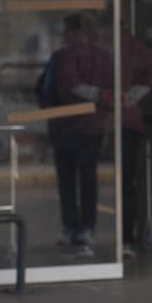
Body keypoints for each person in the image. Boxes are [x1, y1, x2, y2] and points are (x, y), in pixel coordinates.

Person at [51, 13, 114, 252]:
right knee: (74, 179)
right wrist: (100, 97)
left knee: (81, 179)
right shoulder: (68, 58)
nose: (76, 38)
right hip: (76, 126)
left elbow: (67, 85)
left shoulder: (65, 58)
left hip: (80, 126)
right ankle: (77, 227)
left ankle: (80, 227)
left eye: (80, 32)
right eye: (73, 33)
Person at [119, 22, 152, 259]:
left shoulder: (119, 46)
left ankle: (123, 237)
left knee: (122, 183)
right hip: (126, 122)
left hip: (112, 122)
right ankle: (125, 238)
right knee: (126, 184)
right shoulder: (135, 47)